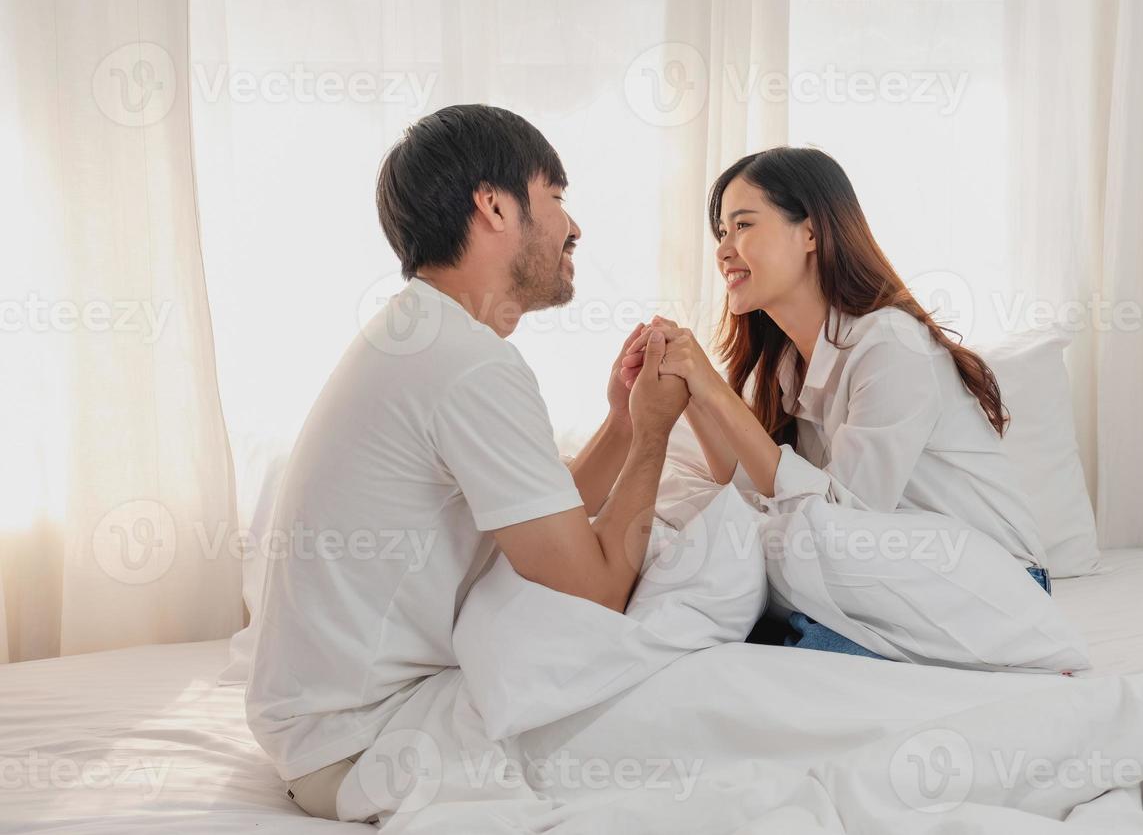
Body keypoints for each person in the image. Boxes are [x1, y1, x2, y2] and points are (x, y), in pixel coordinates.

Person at [245, 104, 690, 819]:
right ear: (493, 205)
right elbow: (595, 589)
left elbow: (542, 529)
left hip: (316, 730)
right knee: (680, 718)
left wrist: (618, 421)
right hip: (363, 742)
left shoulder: (422, 335)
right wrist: (653, 436)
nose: (574, 227)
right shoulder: (467, 365)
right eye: (555, 197)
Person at [621, 146, 1049, 658]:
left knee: (782, 650)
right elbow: (759, 483)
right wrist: (689, 389)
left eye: (743, 226)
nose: (723, 250)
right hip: (888, 578)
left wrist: (712, 387)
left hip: (988, 586)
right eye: (721, 233)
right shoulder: (787, 365)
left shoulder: (891, 344)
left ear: (811, 232)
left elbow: (847, 521)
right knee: (727, 613)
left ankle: (1013, 654)